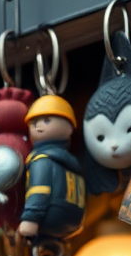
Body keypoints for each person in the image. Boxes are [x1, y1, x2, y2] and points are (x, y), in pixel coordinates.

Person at [17, 95, 87, 241]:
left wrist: (30, 218)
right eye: (33, 123)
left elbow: (39, 190)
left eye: (46, 121)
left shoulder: (42, 160)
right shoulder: (76, 166)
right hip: (74, 223)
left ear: (69, 128)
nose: (38, 126)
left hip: (47, 218)